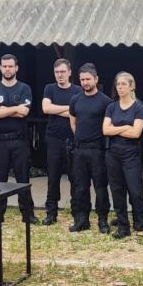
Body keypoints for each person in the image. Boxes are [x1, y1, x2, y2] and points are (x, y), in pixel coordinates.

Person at [0, 54, 39, 225]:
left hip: (19, 140)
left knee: (23, 178)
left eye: (10, 66)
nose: (7, 69)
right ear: (0, 68)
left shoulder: (24, 89)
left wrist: (1, 108)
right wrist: (14, 108)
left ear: (16, 68)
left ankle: (28, 214)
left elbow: (24, 112)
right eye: (4, 66)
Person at [103, 72, 143, 243]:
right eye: (118, 84)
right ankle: (123, 226)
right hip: (112, 153)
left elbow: (136, 133)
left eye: (124, 84)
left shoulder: (138, 107)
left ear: (132, 86)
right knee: (117, 191)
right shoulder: (111, 106)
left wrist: (116, 128)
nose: (120, 87)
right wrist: (126, 125)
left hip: (131, 153)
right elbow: (105, 130)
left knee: (136, 191)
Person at [68, 63, 112, 233]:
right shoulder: (75, 99)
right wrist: (80, 136)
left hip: (97, 150)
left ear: (96, 79)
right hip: (79, 150)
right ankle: (82, 219)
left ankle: (102, 220)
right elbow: (73, 121)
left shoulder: (105, 101)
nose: (85, 82)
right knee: (80, 186)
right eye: (82, 80)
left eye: (88, 79)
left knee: (100, 186)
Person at [42, 59, 84, 226]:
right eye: (57, 72)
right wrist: (68, 108)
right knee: (53, 177)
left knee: (75, 178)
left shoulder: (78, 90)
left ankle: (77, 212)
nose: (60, 75)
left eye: (62, 72)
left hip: (73, 139)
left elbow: (79, 113)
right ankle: (51, 213)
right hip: (53, 139)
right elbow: (46, 109)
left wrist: (58, 108)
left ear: (69, 72)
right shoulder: (49, 88)